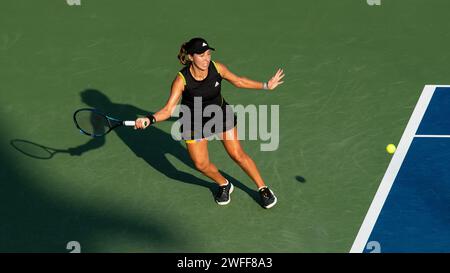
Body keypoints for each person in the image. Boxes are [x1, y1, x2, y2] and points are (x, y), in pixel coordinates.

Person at [135, 37, 284, 209]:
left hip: (219, 114)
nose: (206, 59)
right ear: (191, 57)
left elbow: (239, 81)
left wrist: (266, 85)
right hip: (194, 122)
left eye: (208, 54)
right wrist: (149, 119)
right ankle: (224, 184)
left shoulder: (217, 68)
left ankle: (263, 188)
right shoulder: (181, 80)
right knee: (200, 164)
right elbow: (168, 110)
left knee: (237, 154)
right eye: (201, 55)